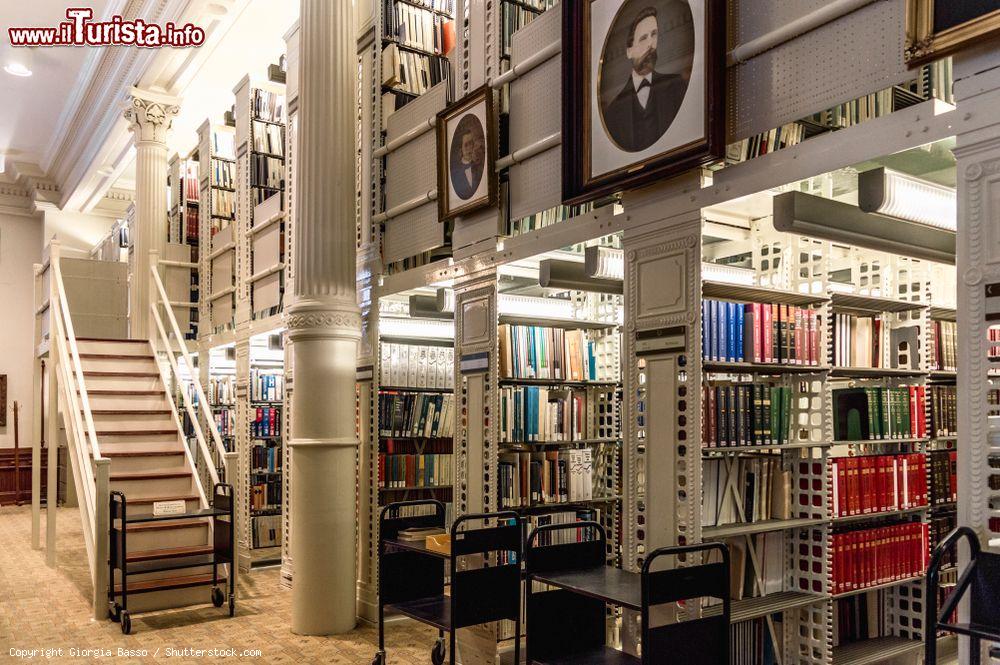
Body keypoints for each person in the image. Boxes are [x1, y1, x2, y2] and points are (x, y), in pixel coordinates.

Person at [602, 5, 688, 152]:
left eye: (654, 34)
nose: (651, 44)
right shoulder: (613, 112)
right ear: (629, 51)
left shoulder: (677, 87)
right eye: (643, 38)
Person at [450, 120, 483, 200]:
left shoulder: (480, 167)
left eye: (471, 143)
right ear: (460, 149)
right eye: (466, 145)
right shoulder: (455, 174)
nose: (469, 148)